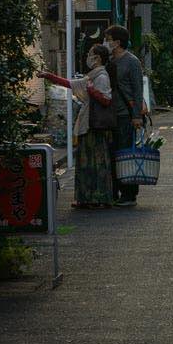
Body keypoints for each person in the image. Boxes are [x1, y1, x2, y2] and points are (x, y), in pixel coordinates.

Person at [38, 44, 115, 208]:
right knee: (88, 161)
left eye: (90, 54)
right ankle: (87, 198)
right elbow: (70, 83)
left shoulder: (101, 77)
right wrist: (49, 76)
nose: (88, 56)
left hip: (94, 125)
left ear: (98, 58)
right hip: (89, 124)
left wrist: (92, 91)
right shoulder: (92, 77)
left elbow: (106, 100)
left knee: (93, 161)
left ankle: (96, 197)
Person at [104, 25, 144, 206]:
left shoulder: (132, 61)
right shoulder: (108, 61)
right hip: (110, 115)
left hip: (126, 115)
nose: (106, 42)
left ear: (117, 42)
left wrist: (136, 116)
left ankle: (129, 193)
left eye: (109, 39)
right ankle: (114, 191)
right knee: (112, 154)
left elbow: (138, 90)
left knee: (125, 154)